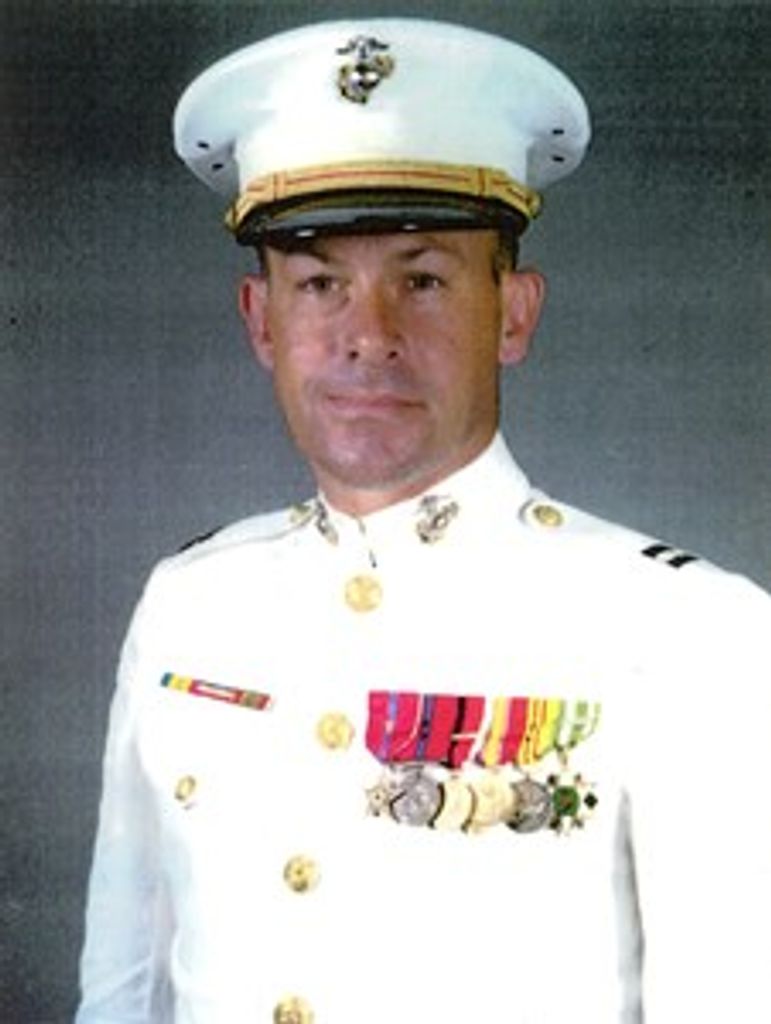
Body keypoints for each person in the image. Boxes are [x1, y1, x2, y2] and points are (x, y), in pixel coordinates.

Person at [75, 17, 771, 1024]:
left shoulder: (689, 631)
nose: (368, 336)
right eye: (319, 283)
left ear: (513, 314)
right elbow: (121, 993)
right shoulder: (191, 606)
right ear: (262, 321)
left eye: (424, 280)